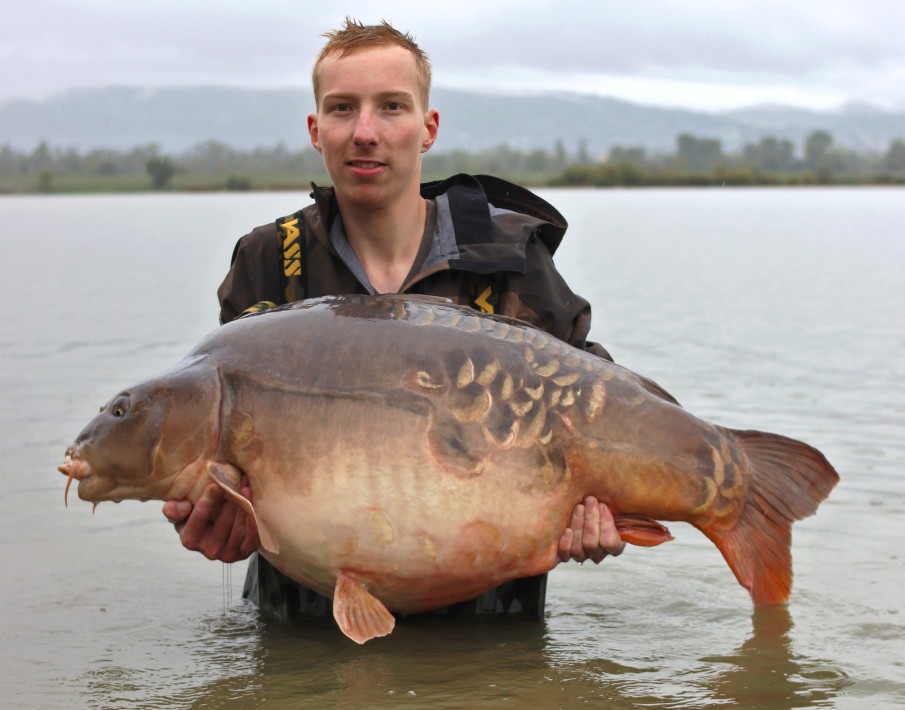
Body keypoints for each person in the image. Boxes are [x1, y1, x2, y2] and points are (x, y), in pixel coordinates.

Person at [163, 18, 625, 621]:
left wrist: (604, 508)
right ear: (315, 130)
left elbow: (596, 397)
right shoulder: (269, 262)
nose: (365, 132)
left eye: (391, 107)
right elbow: (224, 467)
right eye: (342, 108)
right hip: (304, 627)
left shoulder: (508, 256)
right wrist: (219, 519)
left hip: (490, 627)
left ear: (428, 128)